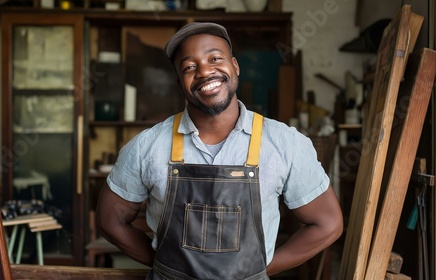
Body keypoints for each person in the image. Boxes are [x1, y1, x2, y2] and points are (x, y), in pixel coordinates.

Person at [96, 22, 343, 279]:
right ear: (180, 84)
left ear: (234, 66)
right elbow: (110, 221)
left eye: (215, 58)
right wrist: (164, 266)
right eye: (190, 67)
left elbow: (328, 224)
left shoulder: (285, 143)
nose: (204, 71)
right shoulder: (146, 147)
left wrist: (258, 271)